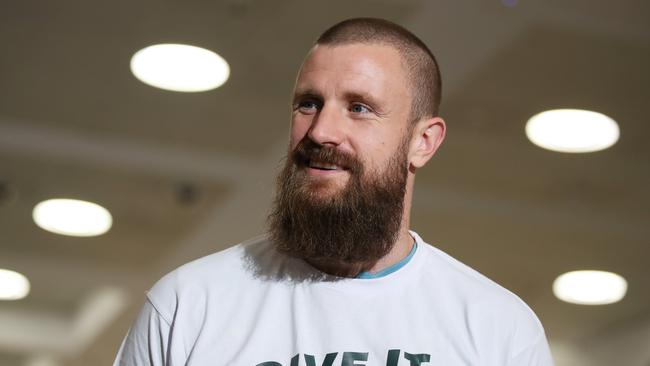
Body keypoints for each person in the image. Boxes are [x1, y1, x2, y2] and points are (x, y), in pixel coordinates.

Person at [114, 18, 554, 366]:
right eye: (308, 103)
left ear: (423, 142)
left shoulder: (498, 328)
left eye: (359, 108)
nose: (321, 130)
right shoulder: (187, 305)